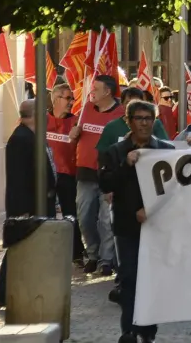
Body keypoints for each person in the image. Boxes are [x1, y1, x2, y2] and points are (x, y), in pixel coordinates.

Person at [97, 100, 174, 343]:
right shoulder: (115, 152)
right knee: (129, 278)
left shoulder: (166, 150)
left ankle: (148, 332)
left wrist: (150, 209)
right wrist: (125, 164)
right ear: (129, 121)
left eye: (148, 118)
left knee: (151, 280)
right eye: (139, 118)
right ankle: (128, 331)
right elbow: (106, 184)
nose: (144, 123)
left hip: (156, 225)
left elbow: (174, 190)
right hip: (126, 226)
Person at [0, 99, 56, 308]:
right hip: (28, 207)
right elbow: (18, 179)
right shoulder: (21, 138)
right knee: (19, 249)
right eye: (44, 111)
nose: (48, 115)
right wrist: (22, 212)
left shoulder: (34, 136)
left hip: (40, 203)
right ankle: (4, 294)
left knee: (27, 250)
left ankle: (17, 291)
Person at [72, 74, 122, 276]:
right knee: (84, 217)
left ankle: (106, 260)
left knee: (105, 220)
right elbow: (74, 138)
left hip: (108, 175)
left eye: (96, 88)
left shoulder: (120, 113)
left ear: (107, 92)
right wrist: (74, 134)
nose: (91, 92)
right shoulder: (85, 110)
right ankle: (92, 253)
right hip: (85, 173)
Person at [47, 83, 85, 263]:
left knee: (71, 214)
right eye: (68, 98)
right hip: (46, 175)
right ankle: (48, 249)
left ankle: (76, 252)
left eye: (73, 98)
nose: (71, 102)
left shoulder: (77, 121)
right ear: (55, 99)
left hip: (68, 175)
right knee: (46, 214)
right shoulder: (41, 120)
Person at [96, 87, 170, 151]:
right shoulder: (111, 127)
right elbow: (103, 154)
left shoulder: (155, 123)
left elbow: (167, 148)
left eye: (136, 103)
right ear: (122, 104)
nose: (133, 106)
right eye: (128, 103)